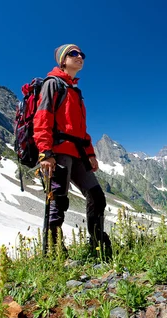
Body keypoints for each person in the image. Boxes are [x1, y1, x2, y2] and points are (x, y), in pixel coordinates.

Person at [33, 44, 112, 259]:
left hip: (77, 153)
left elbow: (81, 130)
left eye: (82, 54)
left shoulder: (75, 91)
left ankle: (98, 245)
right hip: (57, 152)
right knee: (57, 200)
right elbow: (42, 118)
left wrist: (91, 154)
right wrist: (45, 153)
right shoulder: (53, 84)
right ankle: (55, 253)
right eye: (73, 54)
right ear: (62, 60)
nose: (80, 57)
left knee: (96, 196)